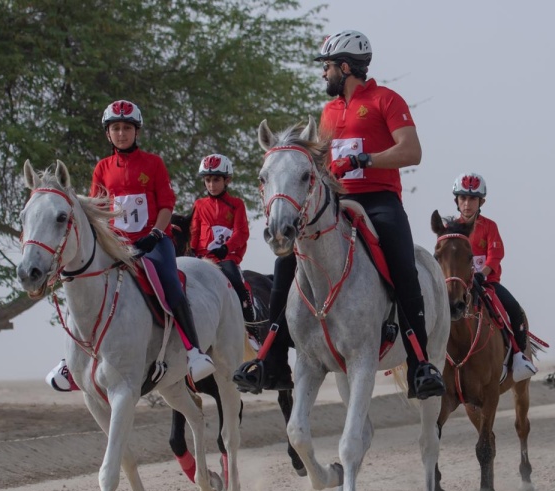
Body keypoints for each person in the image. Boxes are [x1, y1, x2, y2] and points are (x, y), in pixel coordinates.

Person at [237, 30, 445, 400]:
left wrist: (368, 159)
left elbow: (412, 151)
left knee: (404, 267)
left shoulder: (386, 100)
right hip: (336, 202)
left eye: (328, 67)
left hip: (380, 200)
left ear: (346, 67)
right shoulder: (329, 111)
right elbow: (323, 165)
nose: (324, 74)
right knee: (288, 262)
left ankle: (420, 363)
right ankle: (271, 360)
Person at [90, 99, 215, 382]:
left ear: (137, 131)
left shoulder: (154, 164)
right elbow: (97, 209)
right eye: (116, 128)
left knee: (170, 283)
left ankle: (194, 352)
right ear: (108, 133)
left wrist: (155, 235)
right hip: (116, 245)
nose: (121, 133)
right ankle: (77, 360)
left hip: (153, 241)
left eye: (127, 128)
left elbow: (166, 206)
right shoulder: (102, 168)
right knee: (86, 281)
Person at [452, 172, 537, 381]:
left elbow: (495, 255)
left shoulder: (489, 226)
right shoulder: (451, 229)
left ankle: (518, 356)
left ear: (481, 201)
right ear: (456, 200)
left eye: (472, 199)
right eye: (463, 198)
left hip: (487, 284)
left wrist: (482, 275)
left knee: (514, 310)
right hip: (460, 286)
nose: (467, 203)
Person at [190, 154, 258, 342]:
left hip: (226, 259)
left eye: (216, 180)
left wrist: (226, 248)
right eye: (208, 180)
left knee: (237, 282)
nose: (212, 185)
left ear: (226, 180)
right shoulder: (199, 205)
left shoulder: (237, 204)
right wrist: (192, 251)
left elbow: (241, 232)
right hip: (203, 258)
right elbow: (195, 231)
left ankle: (251, 327)